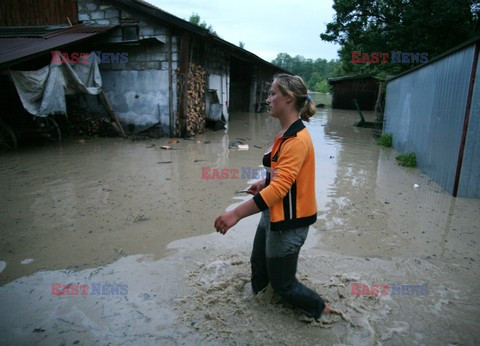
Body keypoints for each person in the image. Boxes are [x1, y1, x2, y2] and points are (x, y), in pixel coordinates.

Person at [214, 73, 332, 320]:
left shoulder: (297, 139)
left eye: (273, 94)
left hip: (289, 222)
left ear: (288, 99)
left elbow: (280, 190)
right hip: (273, 213)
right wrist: (263, 182)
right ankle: (259, 311)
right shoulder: (285, 133)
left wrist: (235, 213)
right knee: (259, 266)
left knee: (284, 285)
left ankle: (319, 308)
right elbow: (281, 177)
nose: (268, 99)